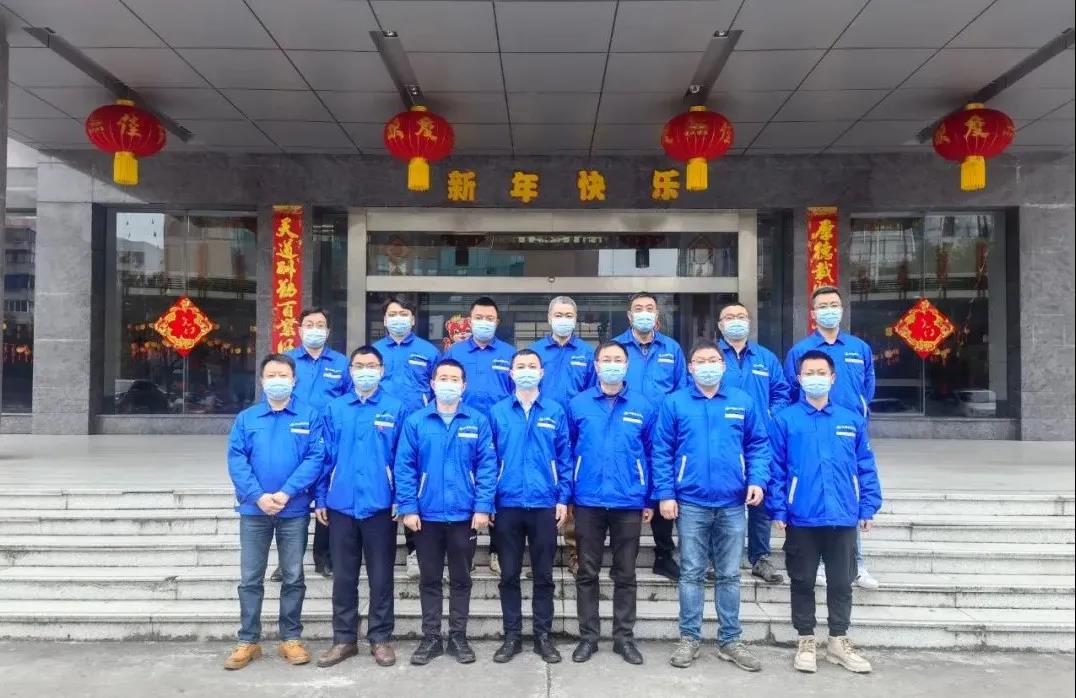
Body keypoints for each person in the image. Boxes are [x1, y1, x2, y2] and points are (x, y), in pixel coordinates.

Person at [653, 341, 771, 672]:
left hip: (732, 502)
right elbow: (662, 451)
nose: (707, 365)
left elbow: (758, 445)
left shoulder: (741, 401)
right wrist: (665, 493)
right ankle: (689, 637)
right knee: (691, 572)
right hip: (690, 502)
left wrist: (757, 480)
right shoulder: (675, 402)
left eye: (713, 360)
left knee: (729, 574)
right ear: (690, 368)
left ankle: (730, 640)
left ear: (723, 365)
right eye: (700, 361)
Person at [768, 350, 883, 674]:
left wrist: (868, 506)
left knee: (841, 582)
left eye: (821, 372)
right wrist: (778, 508)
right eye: (809, 372)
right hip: (801, 516)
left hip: (843, 515)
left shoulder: (850, 420)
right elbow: (775, 469)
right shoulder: (785, 420)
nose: (815, 378)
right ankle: (806, 639)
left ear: (832, 378)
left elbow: (865, 466)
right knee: (802, 580)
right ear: (799, 378)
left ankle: (838, 641)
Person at [223, 353, 325, 670]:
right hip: (254, 511)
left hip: (293, 509)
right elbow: (236, 460)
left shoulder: (309, 416)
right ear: (262, 380)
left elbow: (315, 458)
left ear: (294, 380)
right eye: (271, 375)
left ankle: (290, 638)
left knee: (293, 576)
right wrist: (257, 496)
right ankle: (248, 640)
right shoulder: (247, 418)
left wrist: (286, 492)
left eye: (283, 375)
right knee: (250, 578)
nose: (277, 380)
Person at [394, 359, 498, 666]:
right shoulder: (416, 421)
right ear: (432, 383)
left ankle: (457, 637)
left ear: (464, 385)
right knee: (429, 579)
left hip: (465, 516)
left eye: (454, 379)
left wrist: (483, 506)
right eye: (443, 378)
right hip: (425, 516)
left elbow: (487, 466)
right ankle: (430, 638)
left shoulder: (477, 421)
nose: (448, 383)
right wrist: (408, 507)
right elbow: (405, 467)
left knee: (461, 579)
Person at [314, 346, 407, 669]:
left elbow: (403, 459)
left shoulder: (395, 408)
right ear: (350, 371)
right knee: (343, 577)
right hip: (341, 505)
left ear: (381, 370)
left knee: (381, 576)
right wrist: (321, 497)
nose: (365, 371)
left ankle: (381, 638)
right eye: (359, 365)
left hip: (380, 506)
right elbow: (324, 458)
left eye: (371, 365)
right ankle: (344, 639)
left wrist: (401, 497)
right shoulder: (335, 408)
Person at [567, 341, 657, 666]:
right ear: (596, 365)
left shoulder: (643, 406)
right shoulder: (578, 404)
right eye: (606, 359)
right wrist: (569, 495)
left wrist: (649, 497)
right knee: (587, 572)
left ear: (627, 365)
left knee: (626, 573)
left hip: (628, 500)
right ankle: (588, 638)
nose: (612, 364)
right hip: (588, 500)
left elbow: (652, 454)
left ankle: (624, 638)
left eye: (618, 359)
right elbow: (568, 452)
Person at [784, 286, 879, 590]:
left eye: (833, 304)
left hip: (846, 433)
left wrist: (854, 416)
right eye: (822, 305)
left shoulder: (859, 348)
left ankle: (856, 565)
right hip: (811, 431)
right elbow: (789, 391)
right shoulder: (800, 351)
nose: (829, 309)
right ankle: (822, 565)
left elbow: (868, 388)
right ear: (813, 314)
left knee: (848, 494)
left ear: (842, 309)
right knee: (817, 491)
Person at [488, 349, 572, 664]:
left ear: (541, 373)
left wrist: (562, 498)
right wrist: (488, 500)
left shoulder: (555, 411)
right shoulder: (497, 412)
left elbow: (564, 458)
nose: (526, 370)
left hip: (543, 504)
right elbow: (488, 460)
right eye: (520, 366)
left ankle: (542, 636)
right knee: (509, 574)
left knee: (544, 575)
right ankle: (512, 636)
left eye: (532, 366)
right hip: (507, 504)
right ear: (511, 373)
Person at [612, 292, 687, 581]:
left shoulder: (672, 348)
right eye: (638, 308)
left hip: (663, 433)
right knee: (625, 491)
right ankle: (621, 558)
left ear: (657, 315)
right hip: (626, 432)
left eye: (649, 308)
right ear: (629, 315)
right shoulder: (617, 347)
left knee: (661, 490)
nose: (644, 312)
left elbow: (681, 390)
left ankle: (664, 555)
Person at [716, 301, 790, 584]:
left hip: (759, 441)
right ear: (720, 325)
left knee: (761, 500)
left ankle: (760, 557)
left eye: (741, 316)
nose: (736, 321)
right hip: (722, 440)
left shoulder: (765, 358)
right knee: (720, 499)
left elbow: (782, 393)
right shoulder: (711, 357)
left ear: (749, 323)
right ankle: (716, 557)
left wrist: (770, 418)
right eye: (729, 317)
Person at [444, 297, 515, 576]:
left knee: (496, 488)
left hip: (500, 432)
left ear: (497, 322)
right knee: (465, 485)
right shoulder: (455, 352)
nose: (484, 322)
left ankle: (497, 551)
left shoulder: (509, 353)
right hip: (463, 430)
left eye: (489, 318)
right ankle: (466, 554)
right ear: (470, 320)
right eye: (479, 317)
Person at [373, 296, 441, 580]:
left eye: (403, 313)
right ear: (384, 320)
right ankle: (381, 551)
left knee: (414, 484)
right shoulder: (375, 352)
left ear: (413, 319)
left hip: (418, 428)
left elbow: (438, 390)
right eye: (392, 314)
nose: (398, 318)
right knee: (384, 482)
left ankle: (415, 551)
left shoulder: (428, 351)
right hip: (382, 429)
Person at [529, 295, 595, 578]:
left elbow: (593, 393)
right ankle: (539, 558)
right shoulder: (534, 352)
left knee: (573, 492)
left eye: (569, 315)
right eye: (558, 314)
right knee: (543, 488)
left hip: (577, 431)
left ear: (575, 319)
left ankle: (574, 552)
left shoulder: (587, 353)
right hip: (541, 431)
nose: (563, 320)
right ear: (549, 318)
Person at [284, 307, 352, 579]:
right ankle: (289, 561)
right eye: (309, 324)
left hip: (330, 438)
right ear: (300, 330)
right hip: (294, 437)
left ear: (328, 331)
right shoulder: (287, 361)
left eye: (320, 325)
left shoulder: (341, 363)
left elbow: (350, 399)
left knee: (327, 496)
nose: (315, 329)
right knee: (293, 499)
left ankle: (325, 557)